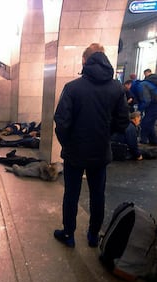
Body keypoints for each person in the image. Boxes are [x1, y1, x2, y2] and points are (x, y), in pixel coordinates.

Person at [53, 43, 129, 248]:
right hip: (100, 152)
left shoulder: (73, 88)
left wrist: (68, 143)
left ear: (84, 61)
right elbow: (123, 122)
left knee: (71, 194)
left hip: (74, 153)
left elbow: (61, 122)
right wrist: (105, 134)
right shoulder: (116, 88)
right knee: (97, 194)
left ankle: (68, 234)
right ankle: (94, 236)